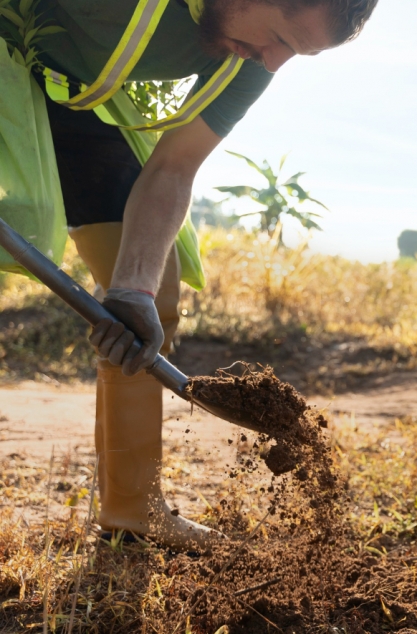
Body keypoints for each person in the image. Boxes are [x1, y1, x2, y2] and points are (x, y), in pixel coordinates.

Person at [0, 0, 377, 550]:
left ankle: (132, 513)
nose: (272, 64)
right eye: (279, 38)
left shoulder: (249, 60)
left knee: (157, 278)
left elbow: (175, 165)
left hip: (73, 101)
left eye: (295, 55)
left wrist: (133, 288)